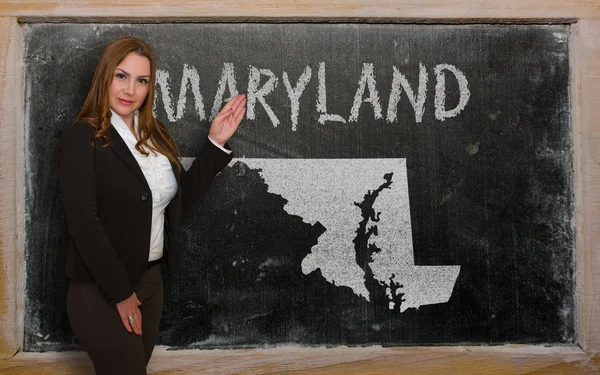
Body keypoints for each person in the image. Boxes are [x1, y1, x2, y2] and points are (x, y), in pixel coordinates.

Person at [57, 36, 246, 375]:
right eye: (121, 76)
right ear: (104, 77)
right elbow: (84, 223)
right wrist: (120, 294)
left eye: (141, 80)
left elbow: (178, 199)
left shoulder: (155, 135)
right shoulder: (82, 137)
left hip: (151, 283)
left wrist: (216, 142)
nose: (130, 89)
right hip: (103, 288)